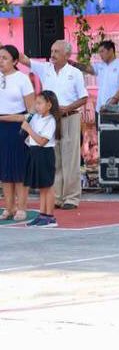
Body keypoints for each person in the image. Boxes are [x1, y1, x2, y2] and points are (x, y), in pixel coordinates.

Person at [20, 40, 88, 211]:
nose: (52, 55)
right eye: (52, 51)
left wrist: (68, 107)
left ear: (67, 55)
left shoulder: (75, 73)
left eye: (56, 52)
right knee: (53, 158)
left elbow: (84, 98)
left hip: (69, 117)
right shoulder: (45, 69)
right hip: (50, 119)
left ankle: (71, 197)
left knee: (70, 159)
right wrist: (6, 49)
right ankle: (56, 196)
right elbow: (24, 60)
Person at [0, 45, 35, 222]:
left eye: (5, 58)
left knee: (19, 169)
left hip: (18, 127)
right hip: (1, 129)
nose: (1, 61)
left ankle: (22, 207)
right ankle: (9, 206)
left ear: (15, 61)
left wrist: (10, 118)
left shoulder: (22, 79)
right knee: (5, 168)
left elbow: (31, 111)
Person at [20, 90, 60, 227]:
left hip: (45, 154)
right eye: (36, 103)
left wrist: (29, 130)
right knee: (42, 187)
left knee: (48, 186)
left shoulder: (51, 121)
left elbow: (42, 141)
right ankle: (42, 214)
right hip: (34, 153)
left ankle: (50, 216)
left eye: (39, 103)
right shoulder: (36, 117)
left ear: (49, 105)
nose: (36, 106)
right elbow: (25, 119)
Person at [71, 40, 119, 111]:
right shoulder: (101, 65)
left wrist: (110, 104)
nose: (100, 54)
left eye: (102, 51)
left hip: (115, 109)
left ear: (111, 50)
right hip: (100, 108)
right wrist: (74, 64)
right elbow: (88, 69)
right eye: (99, 52)